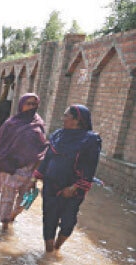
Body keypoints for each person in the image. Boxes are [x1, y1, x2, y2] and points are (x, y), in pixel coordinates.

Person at [31, 105, 101, 253]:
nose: (63, 118)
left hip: (72, 190)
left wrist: (75, 187)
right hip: (51, 185)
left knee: (68, 222)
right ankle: (49, 253)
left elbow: (90, 167)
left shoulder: (90, 140)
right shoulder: (57, 135)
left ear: (77, 120)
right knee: (49, 219)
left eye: (66, 116)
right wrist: (35, 178)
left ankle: (57, 247)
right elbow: (48, 158)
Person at [0, 93, 48, 231]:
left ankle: (13, 217)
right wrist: (1, 165)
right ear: (21, 105)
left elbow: (42, 146)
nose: (31, 107)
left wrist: (38, 170)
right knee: (7, 198)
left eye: (34, 104)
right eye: (28, 103)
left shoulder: (38, 123)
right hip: (11, 168)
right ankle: (5, 225)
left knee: (27, 198)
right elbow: (1, 146)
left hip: (31, 169)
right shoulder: (11, 124)